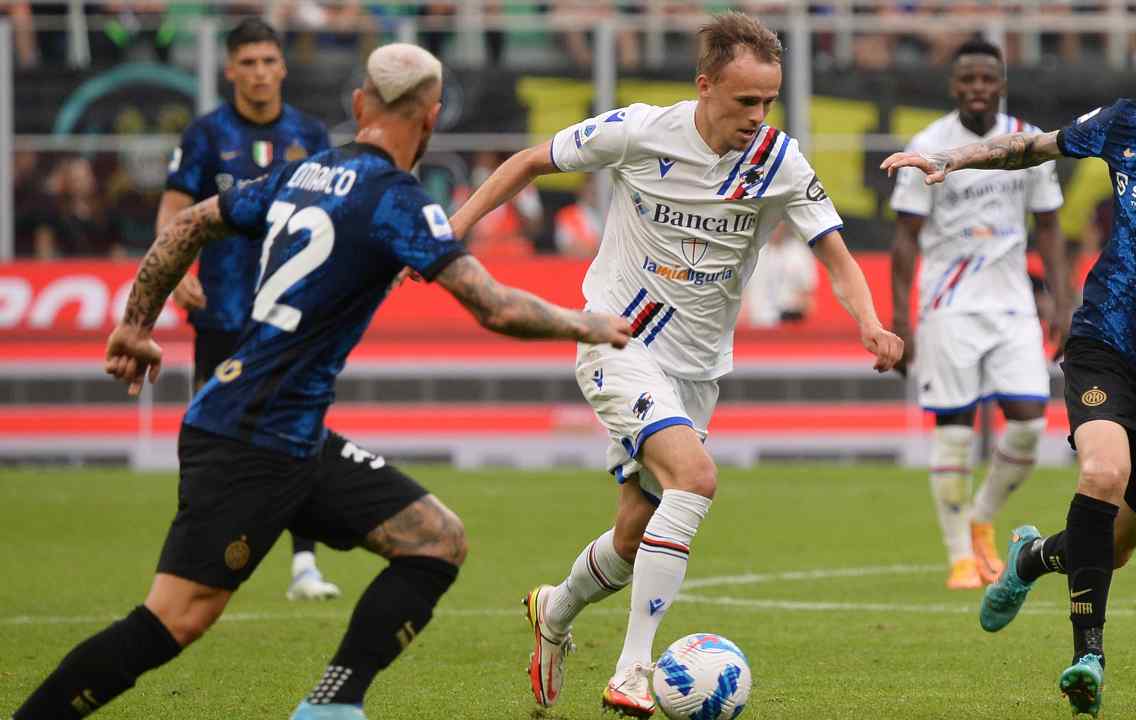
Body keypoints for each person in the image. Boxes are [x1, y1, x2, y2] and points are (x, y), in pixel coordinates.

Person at [9, 42, 631, 720]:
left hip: (289, 431)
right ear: (431, 118)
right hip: (249, 439)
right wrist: (585, 323)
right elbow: (496, 307)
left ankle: (331, 706)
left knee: (436, 539)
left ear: (360, 105)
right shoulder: (395, 200)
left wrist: (136, 324)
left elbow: (188, 223)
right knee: (174, 619)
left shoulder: (305, 172)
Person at [449, 12, 903, 716]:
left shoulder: (778, 162)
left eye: (768, 101)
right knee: (696, 478)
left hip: (697, 370)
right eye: (745, 100)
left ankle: (555, 612)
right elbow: (529, 162)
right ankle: (633, 670)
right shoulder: (638, 131)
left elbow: (837, 257)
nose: (758, 116)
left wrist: (870, 322)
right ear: (704, 86)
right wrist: (449, 235)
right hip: (617, 340)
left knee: (633, 536)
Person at [882, 14, 1136, 718]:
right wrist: (954, 160)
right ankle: (1087, 656)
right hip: (1106, 342)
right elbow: (1034, 147)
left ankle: (1031, 559)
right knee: (1101, 474)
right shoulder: (1129, 122)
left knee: (1113, 548)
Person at [159, 18, 339, 602]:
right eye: (249, 62)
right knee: (207, 436)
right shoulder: (206, 134)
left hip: (290, 316)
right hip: (221, 310)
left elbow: (334, 216)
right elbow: (174, 209)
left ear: (282, 67)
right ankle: (192, 562)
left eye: (268, 61)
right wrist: (175, 272)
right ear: (230, 69)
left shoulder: (310, 135)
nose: (260, 72)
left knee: (300, 431)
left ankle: (305, 565)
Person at [888, 38, 1073, 591]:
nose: (976, 87)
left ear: (1001, 85)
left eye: (986, 78)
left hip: (1013, 302)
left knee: (1030, 423)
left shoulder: (1028, 141)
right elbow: (905, 238)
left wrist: (1064, 302)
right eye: (966, 78)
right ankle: (960, 559)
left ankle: (981, 518)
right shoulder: (927, 146)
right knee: (954, 431)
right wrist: (901, 319)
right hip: (947, 305)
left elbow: (1049, 228)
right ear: (953, 86)